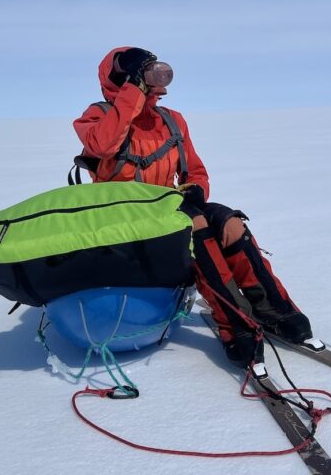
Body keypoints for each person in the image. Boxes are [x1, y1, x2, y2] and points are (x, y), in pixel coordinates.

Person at [73, 46, 315, 371]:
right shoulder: (96, 116)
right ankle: (237, 328)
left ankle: (276, 310)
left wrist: (195, 193)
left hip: (167, 210)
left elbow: (195, 171)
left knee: (228, 222)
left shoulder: (172, 120)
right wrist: (132, 91)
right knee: (196, 227)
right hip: (121, 219)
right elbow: (103, 145)